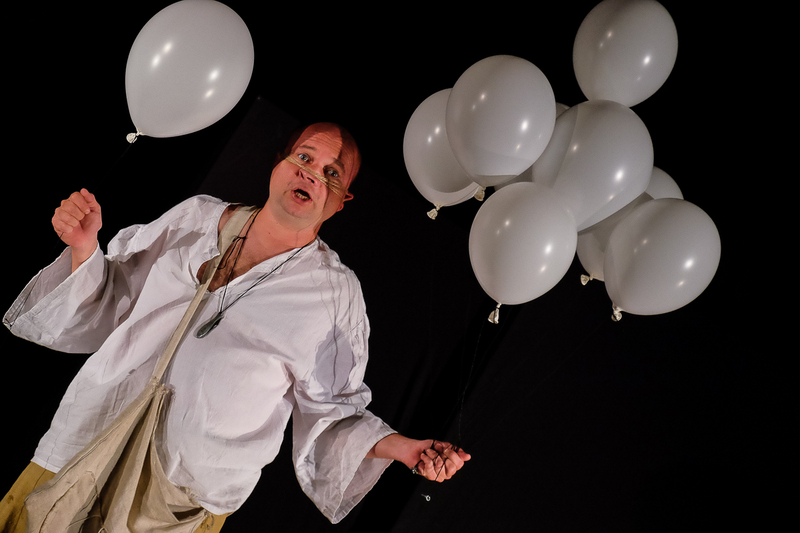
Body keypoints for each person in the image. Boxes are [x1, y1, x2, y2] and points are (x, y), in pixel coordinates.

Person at [1, 122, 470, 532]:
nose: (312, 173)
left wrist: (406, 450)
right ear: (279, 165)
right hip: (85, 440)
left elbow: (334, 412)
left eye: (332, 173)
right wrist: (85, 247)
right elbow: (112, 297)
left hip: (178, 499)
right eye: (304, 157)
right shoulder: (195, 218)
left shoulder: (334, 296)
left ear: (341, 202)